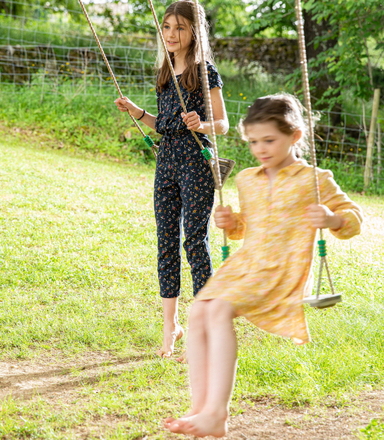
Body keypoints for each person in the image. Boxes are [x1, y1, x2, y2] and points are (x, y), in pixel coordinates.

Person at [165, 93, 363, 437]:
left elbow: (354, 218)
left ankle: (217, 414)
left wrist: (332, 219)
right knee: (199, 311)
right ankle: (200, 408)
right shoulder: (247, 179)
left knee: (219, 310)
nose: (261, 149)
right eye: (254, 141)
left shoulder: (314, 180)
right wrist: (232, 222)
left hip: (280, 270)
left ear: (295, 136)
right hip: (245, 264)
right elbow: (249, 226)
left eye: (269, 140)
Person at [114, 0, 229, 359]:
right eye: (166, 27)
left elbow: (222, 124)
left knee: (194, 242)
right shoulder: (164, 72)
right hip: (166, 164)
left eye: (179, 27)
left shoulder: (204, 71)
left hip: (195, 163)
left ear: (194, 31)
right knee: (166, 243)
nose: (171, 34)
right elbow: (164, 124)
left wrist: (203, 123)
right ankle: (171, 326)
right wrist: (139, 113)